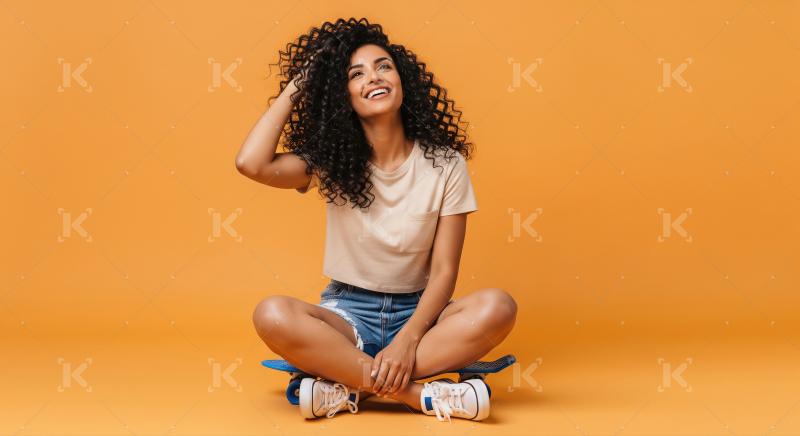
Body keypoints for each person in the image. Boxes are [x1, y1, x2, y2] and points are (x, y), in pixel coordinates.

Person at [236, 17, 517, 422]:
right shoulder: (331, 162)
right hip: (348, 314)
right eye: (356, 74)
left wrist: (408, 339)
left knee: (498, 307)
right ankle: (416, 394)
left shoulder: (446, 164)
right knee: (272, 314)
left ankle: (348, 384)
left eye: (383, 66)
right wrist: (301, 84)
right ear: (341, 95)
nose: (374, 77)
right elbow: (251, 163)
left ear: (403, 79)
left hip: (421, 314)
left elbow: (443, 273)